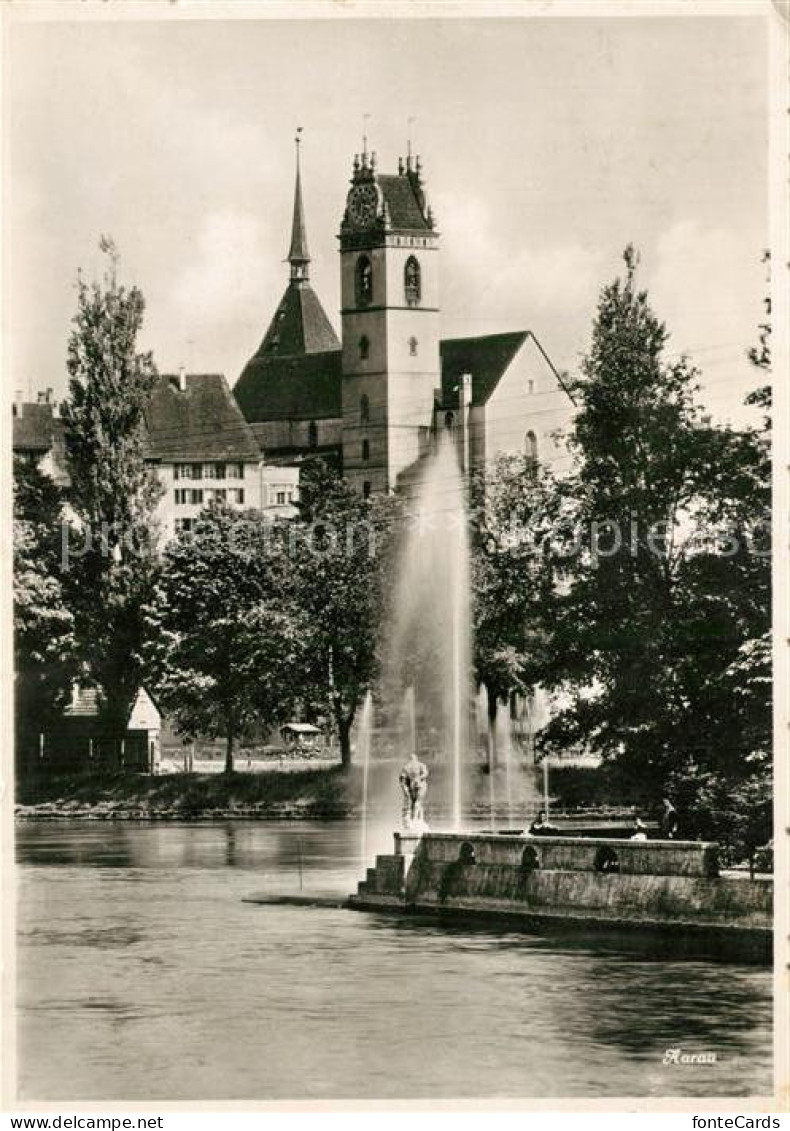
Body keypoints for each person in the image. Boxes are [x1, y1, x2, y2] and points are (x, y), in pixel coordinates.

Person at [399, 751, 429, 830]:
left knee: (413, 802)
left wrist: (405, 790)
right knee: (418, 801)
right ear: (416, 758)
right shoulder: (421, 765)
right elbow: (425, 773)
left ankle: (415, 819)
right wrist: (419, 778)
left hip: (412, 786)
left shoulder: (406, 767)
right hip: (420, 785)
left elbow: (402, 779)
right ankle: (416, 819)